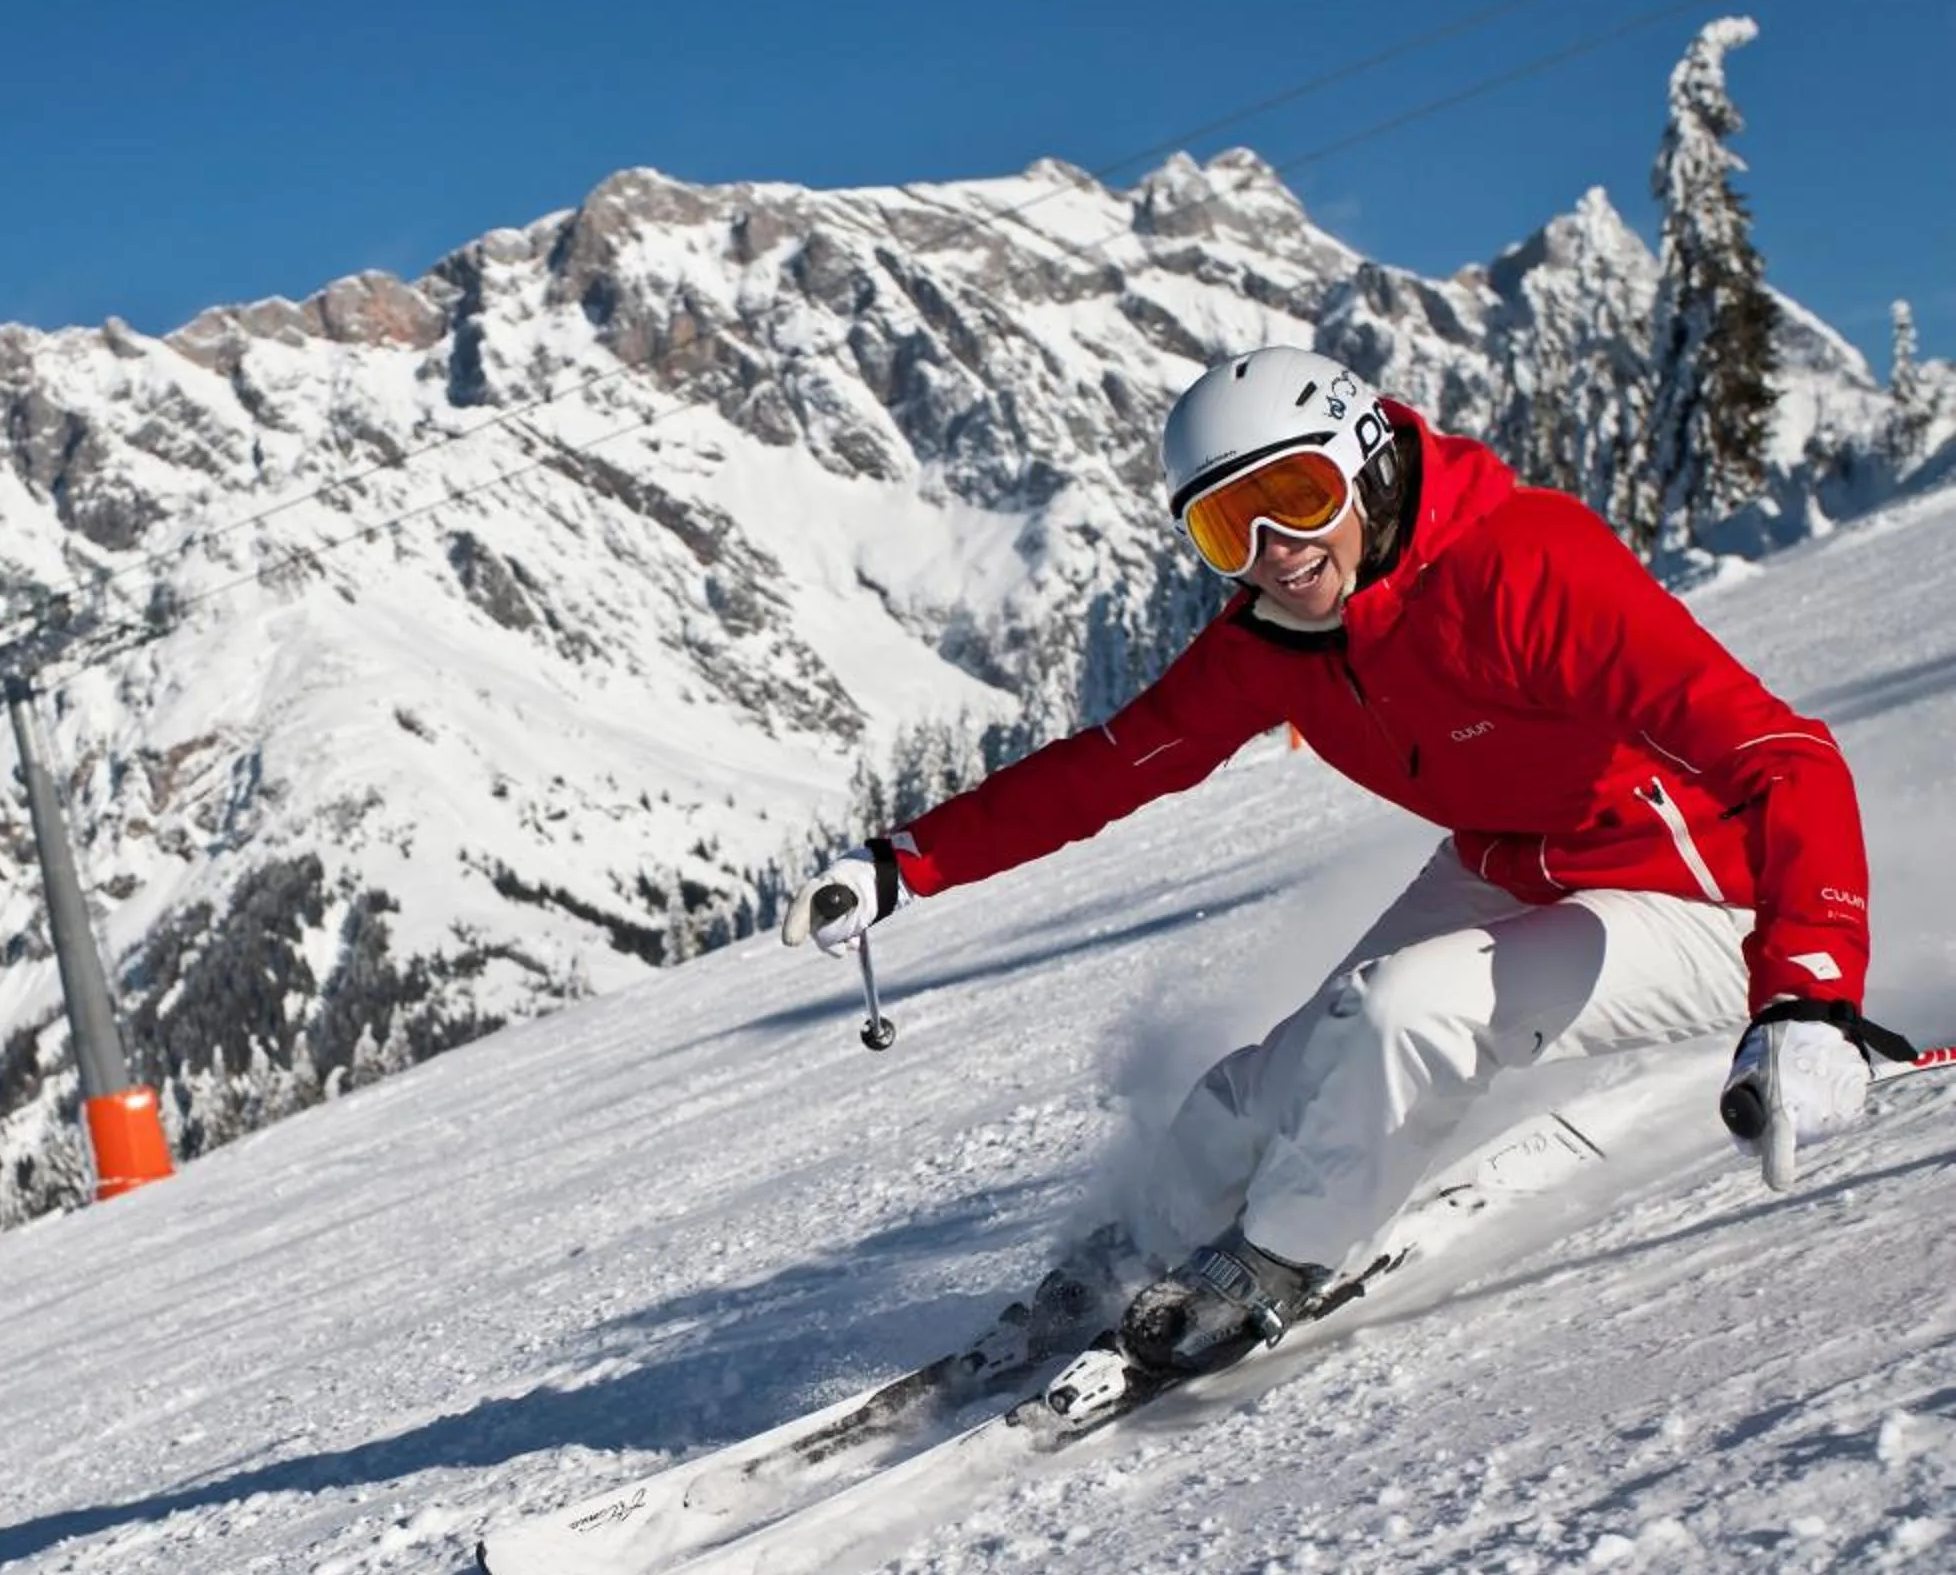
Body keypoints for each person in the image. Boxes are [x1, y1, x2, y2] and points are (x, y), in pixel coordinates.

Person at [785, 345, 1909, 1383]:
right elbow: (1109, 766)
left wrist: (1810, 990)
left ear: (1362, 467)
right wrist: (903, 864)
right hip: (1516, 865)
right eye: (1231, 526)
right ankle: (1129, 1253)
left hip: (1712, 899)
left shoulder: (1525, 564)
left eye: (1296, 499)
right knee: (1265, 1082)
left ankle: (1279, 1260)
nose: (1276, 549)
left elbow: (1784, 754)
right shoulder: (1276, 639)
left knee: (1399, 1014)